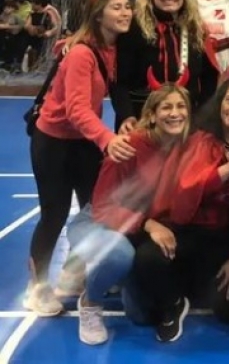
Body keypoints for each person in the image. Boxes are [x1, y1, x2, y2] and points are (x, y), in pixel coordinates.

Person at [26, 0, 137, 316]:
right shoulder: (80, 53)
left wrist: (127, 118)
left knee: (96, 211)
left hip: (83, 143)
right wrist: (108, 139)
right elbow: (75, 110)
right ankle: (38, 288)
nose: (125, 12)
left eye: (127, 6)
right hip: (54, 143)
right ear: (98, 15)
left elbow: (115, 90)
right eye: (116, 7)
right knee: (54, 215)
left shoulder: (112, 48)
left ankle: (73, 272)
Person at [131, 76, 229, 341]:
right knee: (147, 263)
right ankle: (174, 301)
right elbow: (183, 194)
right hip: (186, 230)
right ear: (220, 104)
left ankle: (192, 287)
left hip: (226, 240)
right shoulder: (199, 140)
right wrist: (227, 169)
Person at [65, 85, 190, 344]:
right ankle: (90, 301)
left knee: (141, 316)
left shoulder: (184, 147)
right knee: (118, 254)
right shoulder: (129, 144)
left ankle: (113, 275)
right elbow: (102, 206)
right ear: (152, 115)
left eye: (181, 107)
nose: (175, 113)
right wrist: (149, 224)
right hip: (98, 222)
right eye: (167, 107)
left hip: (133, 229)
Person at [113, 0, 217, 132]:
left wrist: (201, 116)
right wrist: (127, 116)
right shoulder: (133, 28)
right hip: (141, 119)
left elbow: (209, 78)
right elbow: (118, 80)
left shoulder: (196, 29)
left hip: (184, 119)